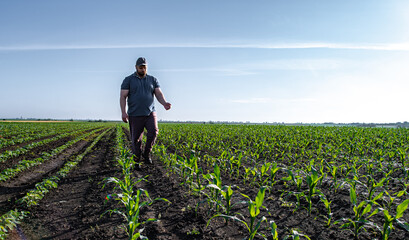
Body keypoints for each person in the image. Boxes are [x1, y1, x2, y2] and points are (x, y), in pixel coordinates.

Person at [120, 57, 171, 168]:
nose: (143, 69)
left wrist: (164, 103)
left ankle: (147, 153)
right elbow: (123, 96)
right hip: (135, 114)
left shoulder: (153, 79)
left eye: (145, 67)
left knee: (153, 132)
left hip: (150, 113)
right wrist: (123, 112)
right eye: (141, 67)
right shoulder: (128, 80)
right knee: (136, 139)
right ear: (136, 67)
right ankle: (137, 159)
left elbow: (158, 94)